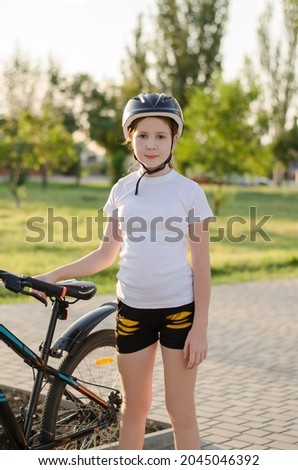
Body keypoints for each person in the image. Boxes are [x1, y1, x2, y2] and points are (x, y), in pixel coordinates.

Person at [35, 93, 213, 450]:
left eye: (161, 136)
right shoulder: (121, 191)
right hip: (131, 310)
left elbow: (201, 266)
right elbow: (104, 254)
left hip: (179, 312)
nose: (151, 144)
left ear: (175, 138)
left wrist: (200, 329)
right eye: (142, 135)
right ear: (129, 137)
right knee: (134, 408)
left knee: (180, 411)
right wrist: (52, 276)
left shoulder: (189, 192)